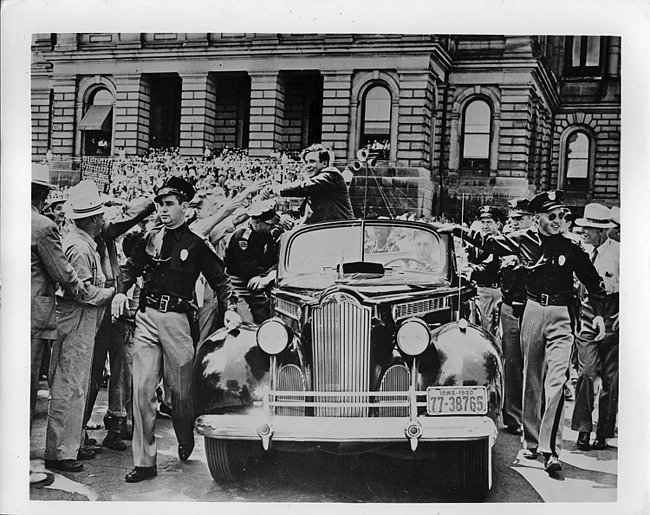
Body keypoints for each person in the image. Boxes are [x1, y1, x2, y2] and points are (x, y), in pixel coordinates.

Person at [447, 190, 606, 475]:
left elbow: (594, 283)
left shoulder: (572, 248)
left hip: (562, 317)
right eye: (552, 216)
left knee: (555, 381)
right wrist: (456, 230)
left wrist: (599, 316)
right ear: (537, 219)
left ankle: (550, 450)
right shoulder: (523, 241)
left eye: (562, 216)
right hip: (532, 312)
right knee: (531, 379)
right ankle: (531, 442)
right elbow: (490, 244)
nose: (559, 221)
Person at [111, 176, 241, 483]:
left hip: (178, 321)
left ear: (186, 207)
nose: (163, 210)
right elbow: (130, 267)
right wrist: (121, 290)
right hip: (146, 317)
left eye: (169, 204)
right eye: (159, 204)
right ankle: (144, 462)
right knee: (142, 390)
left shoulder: (195, 244)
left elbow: (221, 278)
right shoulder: (151, 238)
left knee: (181, 393)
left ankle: (185, 435)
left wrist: (230, 308)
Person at [44, 180, 116, 473]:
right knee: (69, 385)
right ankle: (60, 451)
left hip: (79, 321)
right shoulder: (80, 247)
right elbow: (82, 291)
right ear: (92, 218)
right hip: (76, 320)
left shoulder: (83, 243)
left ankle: (69, 445)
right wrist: (110, 294)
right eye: (99, 216)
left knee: (76, 384)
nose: (102, 221)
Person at [83, 195, 156, 452]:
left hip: (113, 311)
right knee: (103, 373)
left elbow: (131, 217)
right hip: (106, 309)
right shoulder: (102, 233)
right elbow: (133, 216)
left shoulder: (98, 233)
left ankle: (107, 426)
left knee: (117, 372)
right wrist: (148, 202)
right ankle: (96, 428)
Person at [31, 164, 85, 484]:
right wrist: (86, 292)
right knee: (24, 391)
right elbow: (62, 273)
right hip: (32, 317)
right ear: (44, 193)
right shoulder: (42, 225)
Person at [571, 204, 620, 451]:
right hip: (588, 314)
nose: (583, 232)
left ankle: (604, 431)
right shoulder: (582, 252)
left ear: (601, 232)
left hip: (613, 314)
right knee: (586, 372)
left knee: (611, 377)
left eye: (588, 228)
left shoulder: (621, 253)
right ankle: (583, 428)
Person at [498, 198, 534, 436]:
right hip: (510, 309)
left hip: (533, 309)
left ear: (532, 219)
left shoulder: (538, 243)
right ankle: (512, 417)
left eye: (519, 219)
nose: (513, 223)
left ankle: (532, 417)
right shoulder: (506, 243)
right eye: (511, 219)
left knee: (533, 366)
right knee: (511, 364)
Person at [224, 200, 282, 324]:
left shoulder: (267, 234)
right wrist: (272, 271)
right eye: (269, 224)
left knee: (266, 320)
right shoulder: (242, 238)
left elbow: (273, 259)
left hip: (260, 285)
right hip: (239, 288)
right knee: (246, 323)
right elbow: (249, 270)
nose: (273, 227)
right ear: (256, 222)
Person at [271, 144, 354, 224]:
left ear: (324, 163)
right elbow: (311, 214)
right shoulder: (318, 182)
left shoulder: (331, 174)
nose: (308, 166)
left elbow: (306, 187)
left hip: (338, 231)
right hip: (326, 230)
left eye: (312, 162)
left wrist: (276, 189)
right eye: (306, 162)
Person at [466, 206, 505, 335]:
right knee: (484, 328)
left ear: (498, 224)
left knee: (502, 332)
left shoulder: (505, 242)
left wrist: (470, 269)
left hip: (501, 290)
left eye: (489, 222)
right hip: (482, 291)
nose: (485, 226)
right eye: (483, 222)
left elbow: (490, 267)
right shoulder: (473, 244)